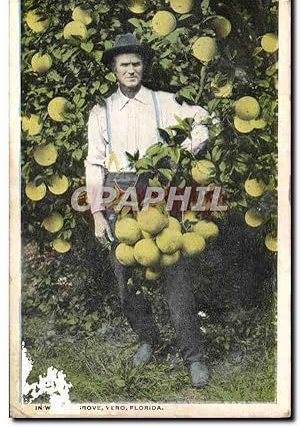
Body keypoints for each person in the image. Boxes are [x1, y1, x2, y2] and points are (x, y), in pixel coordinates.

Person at [85, 33, 211, 388]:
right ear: (113, 69)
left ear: (144, 67)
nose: (130, 70)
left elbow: (204, 118)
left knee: (175, 276)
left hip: (157, 193)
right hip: (117, 195)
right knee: (126, 281)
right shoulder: (101, 112)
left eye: (136, 64)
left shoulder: (163, 102)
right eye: (124, 64)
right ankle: (146, 339)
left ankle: (194, 357)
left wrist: (186, 148)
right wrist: (96, 213)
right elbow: (94, 163)